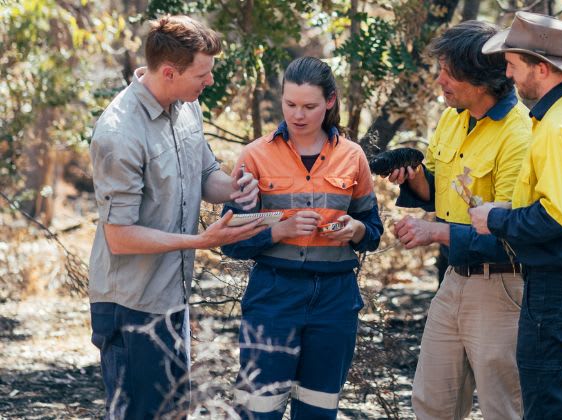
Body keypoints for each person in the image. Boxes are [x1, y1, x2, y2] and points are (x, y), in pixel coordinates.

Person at [88, 15, 265, 419]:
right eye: (203, 74)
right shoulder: (118, 134)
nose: (210, 82)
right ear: (169, 72)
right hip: (131, 303)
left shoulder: (187, 107)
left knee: (172, 412)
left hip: (172, 296)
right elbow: (120, 237)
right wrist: (201, 242)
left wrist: (236, 187)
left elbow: (205, 176)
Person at [469, 11, 562, 420]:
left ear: (542, 67)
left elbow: (556, 218)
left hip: (560, 291)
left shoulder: (555, 127)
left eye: (513, 64)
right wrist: (511, 209)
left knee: (549, 410)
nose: (508, 74)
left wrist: (494, 221)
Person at [220, 56, 383, 420]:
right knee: (259, 409)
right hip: (273, 295)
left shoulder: (353, 157)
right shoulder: (255, 155)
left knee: (318, 410)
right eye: (290, 104)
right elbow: (229, 240)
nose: (298, 115)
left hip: (335, 299)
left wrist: (355, 230)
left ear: (330, 101)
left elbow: (372, 231)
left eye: (309, 106)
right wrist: (279, 231)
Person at [386, 20, 531, 419]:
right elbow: (435, 189)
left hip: (502, 287)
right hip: (454, 281)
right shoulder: (452, 118)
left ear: (481, 78)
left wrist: (434, 232)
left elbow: (511, 232)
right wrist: (412, 172)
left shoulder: (519, 135)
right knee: (432, 402)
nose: (439, 81)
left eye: (448, 72)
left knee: (503, 407)